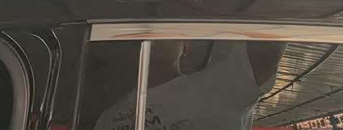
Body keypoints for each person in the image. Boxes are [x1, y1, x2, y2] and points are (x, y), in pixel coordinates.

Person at [93, 41, 285, 130]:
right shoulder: (109, 118)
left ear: (186, 46)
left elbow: (268, 45)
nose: (152, 34)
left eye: (165, 27)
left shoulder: (220, 87)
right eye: (143, 28)